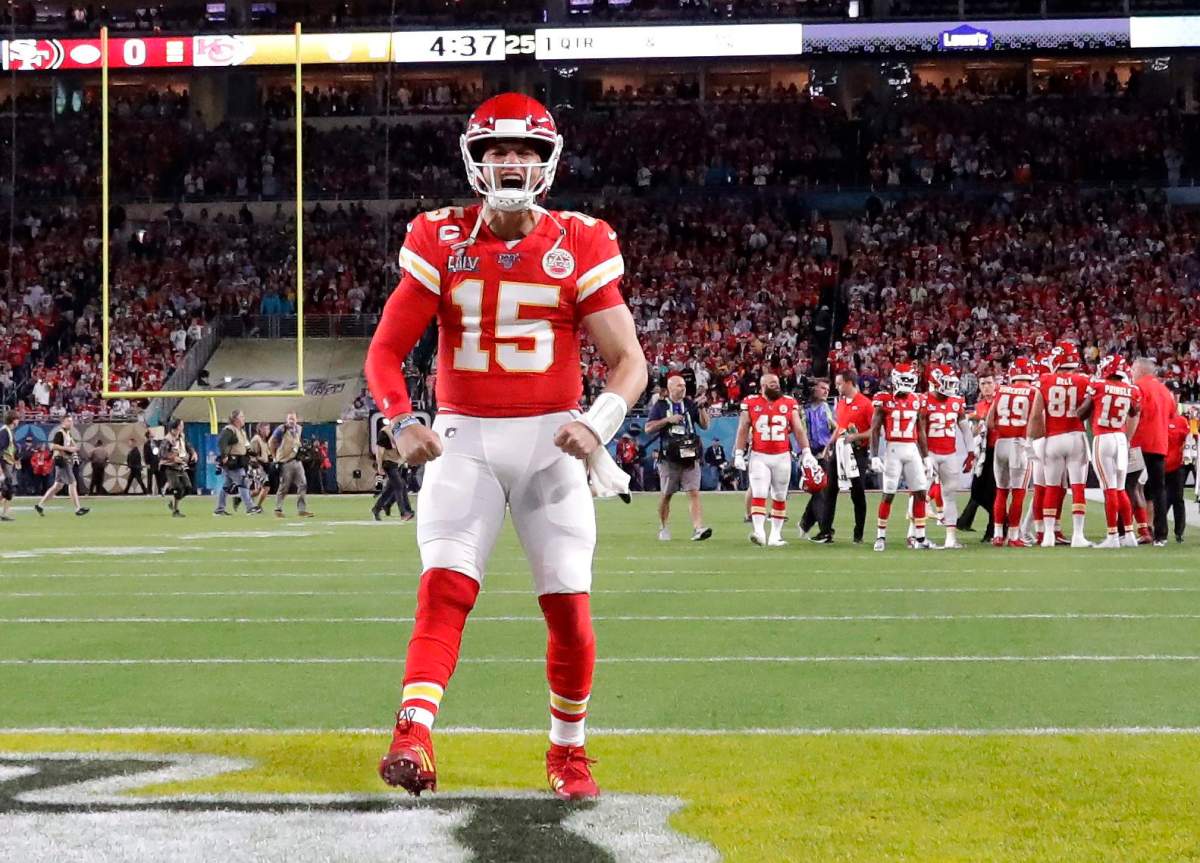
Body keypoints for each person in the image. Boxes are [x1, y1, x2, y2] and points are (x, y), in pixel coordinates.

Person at [364, 93, 648, 801]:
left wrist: (599, 422)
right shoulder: (439, 236)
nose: (511, 162)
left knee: (570, 610)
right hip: (464, 438)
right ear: (477, 160)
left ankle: (568, 751)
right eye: (498, 150)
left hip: (553, 442)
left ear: (546, 162)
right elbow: (384, 353)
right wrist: (401, 420)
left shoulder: (581, 239)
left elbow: (629, 361)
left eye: (525, 150)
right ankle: (412, 730)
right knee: (444, 588)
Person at [734, 372, 817, 547]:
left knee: (779, 496)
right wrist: (739, 453)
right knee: (759, 493)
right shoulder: (751, 402)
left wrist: (806, 451)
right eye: (772, 383)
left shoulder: (789, 402)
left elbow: (798, 429)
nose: (776, 386)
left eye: (777, 383)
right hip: (759, 455)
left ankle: (775, 536)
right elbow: (743, 428)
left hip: (782, 456)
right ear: (763, 386)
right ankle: (759, 532)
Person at [1077, 356, 1141, 549]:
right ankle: (1129, 534)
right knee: (1120, 488)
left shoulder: (1098, 385)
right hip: (1121, 439)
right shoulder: (1131, 389)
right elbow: (1134, 411)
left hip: (1103, 438)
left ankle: (1112, 536)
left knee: (1109, 489)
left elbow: (1081, 413)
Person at [1032, 342, 1092, 547]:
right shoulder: (1084, 380)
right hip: (1076, 436)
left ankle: (1048, 535)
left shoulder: (1045, 380)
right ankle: (1078, 535)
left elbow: (1036, 414)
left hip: (1053, 438)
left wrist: (1032, 441)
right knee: (1078, 487)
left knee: (1051, 487)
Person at [870, 364, 931, 551]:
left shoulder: (917, 400)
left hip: (911, 449)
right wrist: (874, 455)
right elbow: (875, 429)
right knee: (888, 494)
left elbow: (920, 430)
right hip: (893, 450)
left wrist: (926, 457)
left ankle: (920, 537)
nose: (907, 383)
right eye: (904, 379)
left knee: (920, 492)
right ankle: (880, 536)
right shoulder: (884, 399)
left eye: (910, 379)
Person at [646, 373, 712, 541]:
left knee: (694, 492)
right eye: (679, 385)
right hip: (669, 457)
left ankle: (698, 528)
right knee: (667, 494)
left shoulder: (689, 404)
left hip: (690, 454)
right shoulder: (661, 406)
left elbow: (705, 425)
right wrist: (668, 420)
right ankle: (663, 526)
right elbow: (648, 428)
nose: (683, 388)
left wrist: (702, 408)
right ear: (669, 388)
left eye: (684, 385)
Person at [986, 358, 1042, 548]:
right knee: (1018, 493)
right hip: (1020, 444)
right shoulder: (1034, 392)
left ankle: (997, 535)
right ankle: (1013, 535)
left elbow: (989, 422)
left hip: (1001, 443)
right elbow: (1037, 420)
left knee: (1001, 491)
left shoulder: (1001, 390)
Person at [921, 364, 975, 549]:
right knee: (920, 493)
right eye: (947, 383)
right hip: (929, 452)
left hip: (949, 454)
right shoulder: (924, 400)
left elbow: (965, 429)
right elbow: (919, 430)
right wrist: (922, 455)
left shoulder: (956, 401)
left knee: (950, 494)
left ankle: (950, 538)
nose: (951, 387)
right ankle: (915, 535)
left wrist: (971, 452)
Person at [1130, 358, 1173, 546]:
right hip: (1160, 445)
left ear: (1141, 370)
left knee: (1128, 486)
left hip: (1138, 443)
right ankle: (1161, 535)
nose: (1131, 373)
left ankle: (1125, 530)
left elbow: (1133, 413)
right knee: (1158, 490)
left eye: (1133, 369)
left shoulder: (1138, 388)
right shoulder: (1165, 390)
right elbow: (1171, 414)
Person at [831, 371, 874, 543]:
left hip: (858, 452)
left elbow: (874, 430)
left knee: (857, 492)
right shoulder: (841, 403)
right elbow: (839, 427)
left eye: (839, 383)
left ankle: (859, 533)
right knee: (830, 488)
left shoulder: (866, 404)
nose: (837, 387)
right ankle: (825, 531)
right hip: (840, 450)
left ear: (849, 383)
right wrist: (829, 444)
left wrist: (857, 436)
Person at [956, 372, 997, 541]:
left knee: (992, 492)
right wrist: (975, 430)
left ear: (995, 384)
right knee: (978, 491)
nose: (986, 387)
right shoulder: (979, 406)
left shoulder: (1000, 401)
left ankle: (993, 529)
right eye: (983, 384)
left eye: (989, 383)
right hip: (984, 452)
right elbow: (975, 431)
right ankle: (1000, 522)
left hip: (997, 450)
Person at [797, 378, 836, 542]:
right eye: (823, 388)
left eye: (827, 388)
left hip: (823, 454)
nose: (826, 391)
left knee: (820, 491)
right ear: (813, 389)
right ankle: (824, 530)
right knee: (820, 492)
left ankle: (806, 523)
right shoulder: (802, 409)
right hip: (809, 455)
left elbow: (834, 427)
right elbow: (800, 430)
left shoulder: (826, 408)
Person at [34, 414, 89, 517]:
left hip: (63, 460)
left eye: (71, 421)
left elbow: (72, 445)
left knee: (58, 486)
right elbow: (53, 446)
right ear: (63, 422)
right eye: (68, 421)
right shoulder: (60, 433)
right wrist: (69, 449)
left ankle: (40, 505)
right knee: (72, 483)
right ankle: (78, 508)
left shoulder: (67, 433)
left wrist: (74, 449)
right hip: (62, 460)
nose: (71, 423)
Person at [214, 409, 261, 515]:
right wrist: (224, 456)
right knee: (243, 482)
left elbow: (246, 447)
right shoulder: (229, 430)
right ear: (235, 419)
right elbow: (222, 442)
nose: (244, 418)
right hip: (232, 462)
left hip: (239, 461)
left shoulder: (241, 432)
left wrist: (253, 454)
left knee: (227, 486)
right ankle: (250, 507)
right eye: (241, 416)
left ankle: (219, 509)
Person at [269, 412, 313, 518]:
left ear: (297, 420)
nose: (291, 421)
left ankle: (301, 509)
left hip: (296, 460)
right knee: (284, 486)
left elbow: (297, 443)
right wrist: (274, 457)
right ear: (286, 420)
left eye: (293, 419)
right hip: (285, 461)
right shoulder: (282, 429)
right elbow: (271, 442)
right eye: (290, 419)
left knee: (303, 484)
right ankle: (278, 508)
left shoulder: (299, 429)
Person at [372, 421, 414, 521]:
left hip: (397, 463)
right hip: (388, 463)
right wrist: (379, 466)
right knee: (400, 485)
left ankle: (377, 508)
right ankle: (404, 512)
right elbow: (379, 451)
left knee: (391, 489)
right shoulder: (385, 433)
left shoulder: (401, 433)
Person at [1165, 405, 1189, 543]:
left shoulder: (1181, 421)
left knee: (1178, 499)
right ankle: (1160, 531)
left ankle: (1179, 532)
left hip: (1177, 464)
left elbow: (1189, 439)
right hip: (1160, 464)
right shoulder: (1158, 420)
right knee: (1162, 499)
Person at [160, 418, 193, 518]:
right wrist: (173, 458)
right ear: (176, 427)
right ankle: (175, 510)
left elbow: (187, 445)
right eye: (181, 425)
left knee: (188, 488)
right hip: (170, 466)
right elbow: (162, 453)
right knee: (178, 488)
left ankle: (173, 501)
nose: (183, 427)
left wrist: (193, 452)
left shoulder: (181, 436)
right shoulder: (168, 439)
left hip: (181, 465)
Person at [0, 411, 17, 521]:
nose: (18, 421)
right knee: (8, 489)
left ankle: (5, 513)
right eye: (17, 419)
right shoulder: (5, 432)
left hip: (9, 463)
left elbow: (12, 448)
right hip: (4, 463)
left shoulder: (8, 431)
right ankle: (4, 514)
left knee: (8, 490)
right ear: (13, 420)